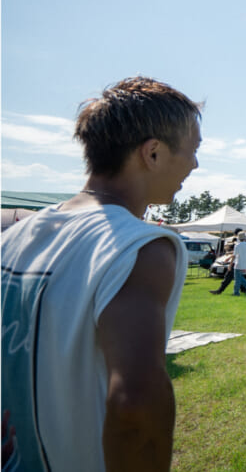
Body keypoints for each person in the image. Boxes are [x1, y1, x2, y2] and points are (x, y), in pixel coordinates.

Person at [1, 76, 201, 471]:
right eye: (193, 150)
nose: (194, 164)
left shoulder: (15, 237)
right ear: (154, 153)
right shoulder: (139, 247)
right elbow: (136, 407)